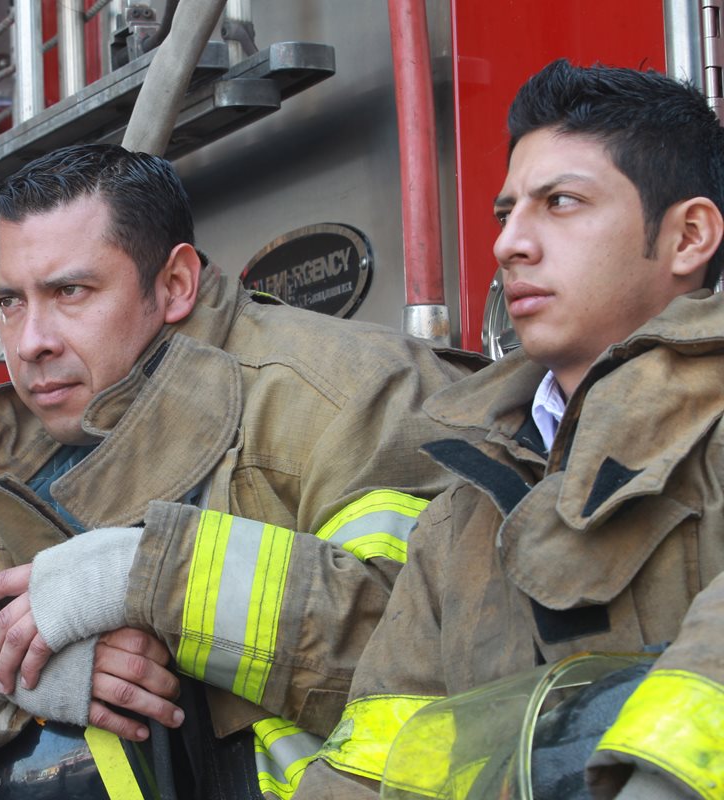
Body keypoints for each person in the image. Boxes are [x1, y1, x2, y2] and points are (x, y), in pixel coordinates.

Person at [0, 143, 474, 799]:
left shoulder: (351, 394)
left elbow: (431, 653)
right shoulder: (40, 461)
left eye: (69, 291)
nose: (30, 342)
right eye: (10, 302)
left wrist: (138, 574)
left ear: (174, 285)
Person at [270, 60, 724, 798]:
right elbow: (378, 759)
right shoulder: (464, 506)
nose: (510, 243)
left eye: (562, 203)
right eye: (505, 214)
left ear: (689, 236)